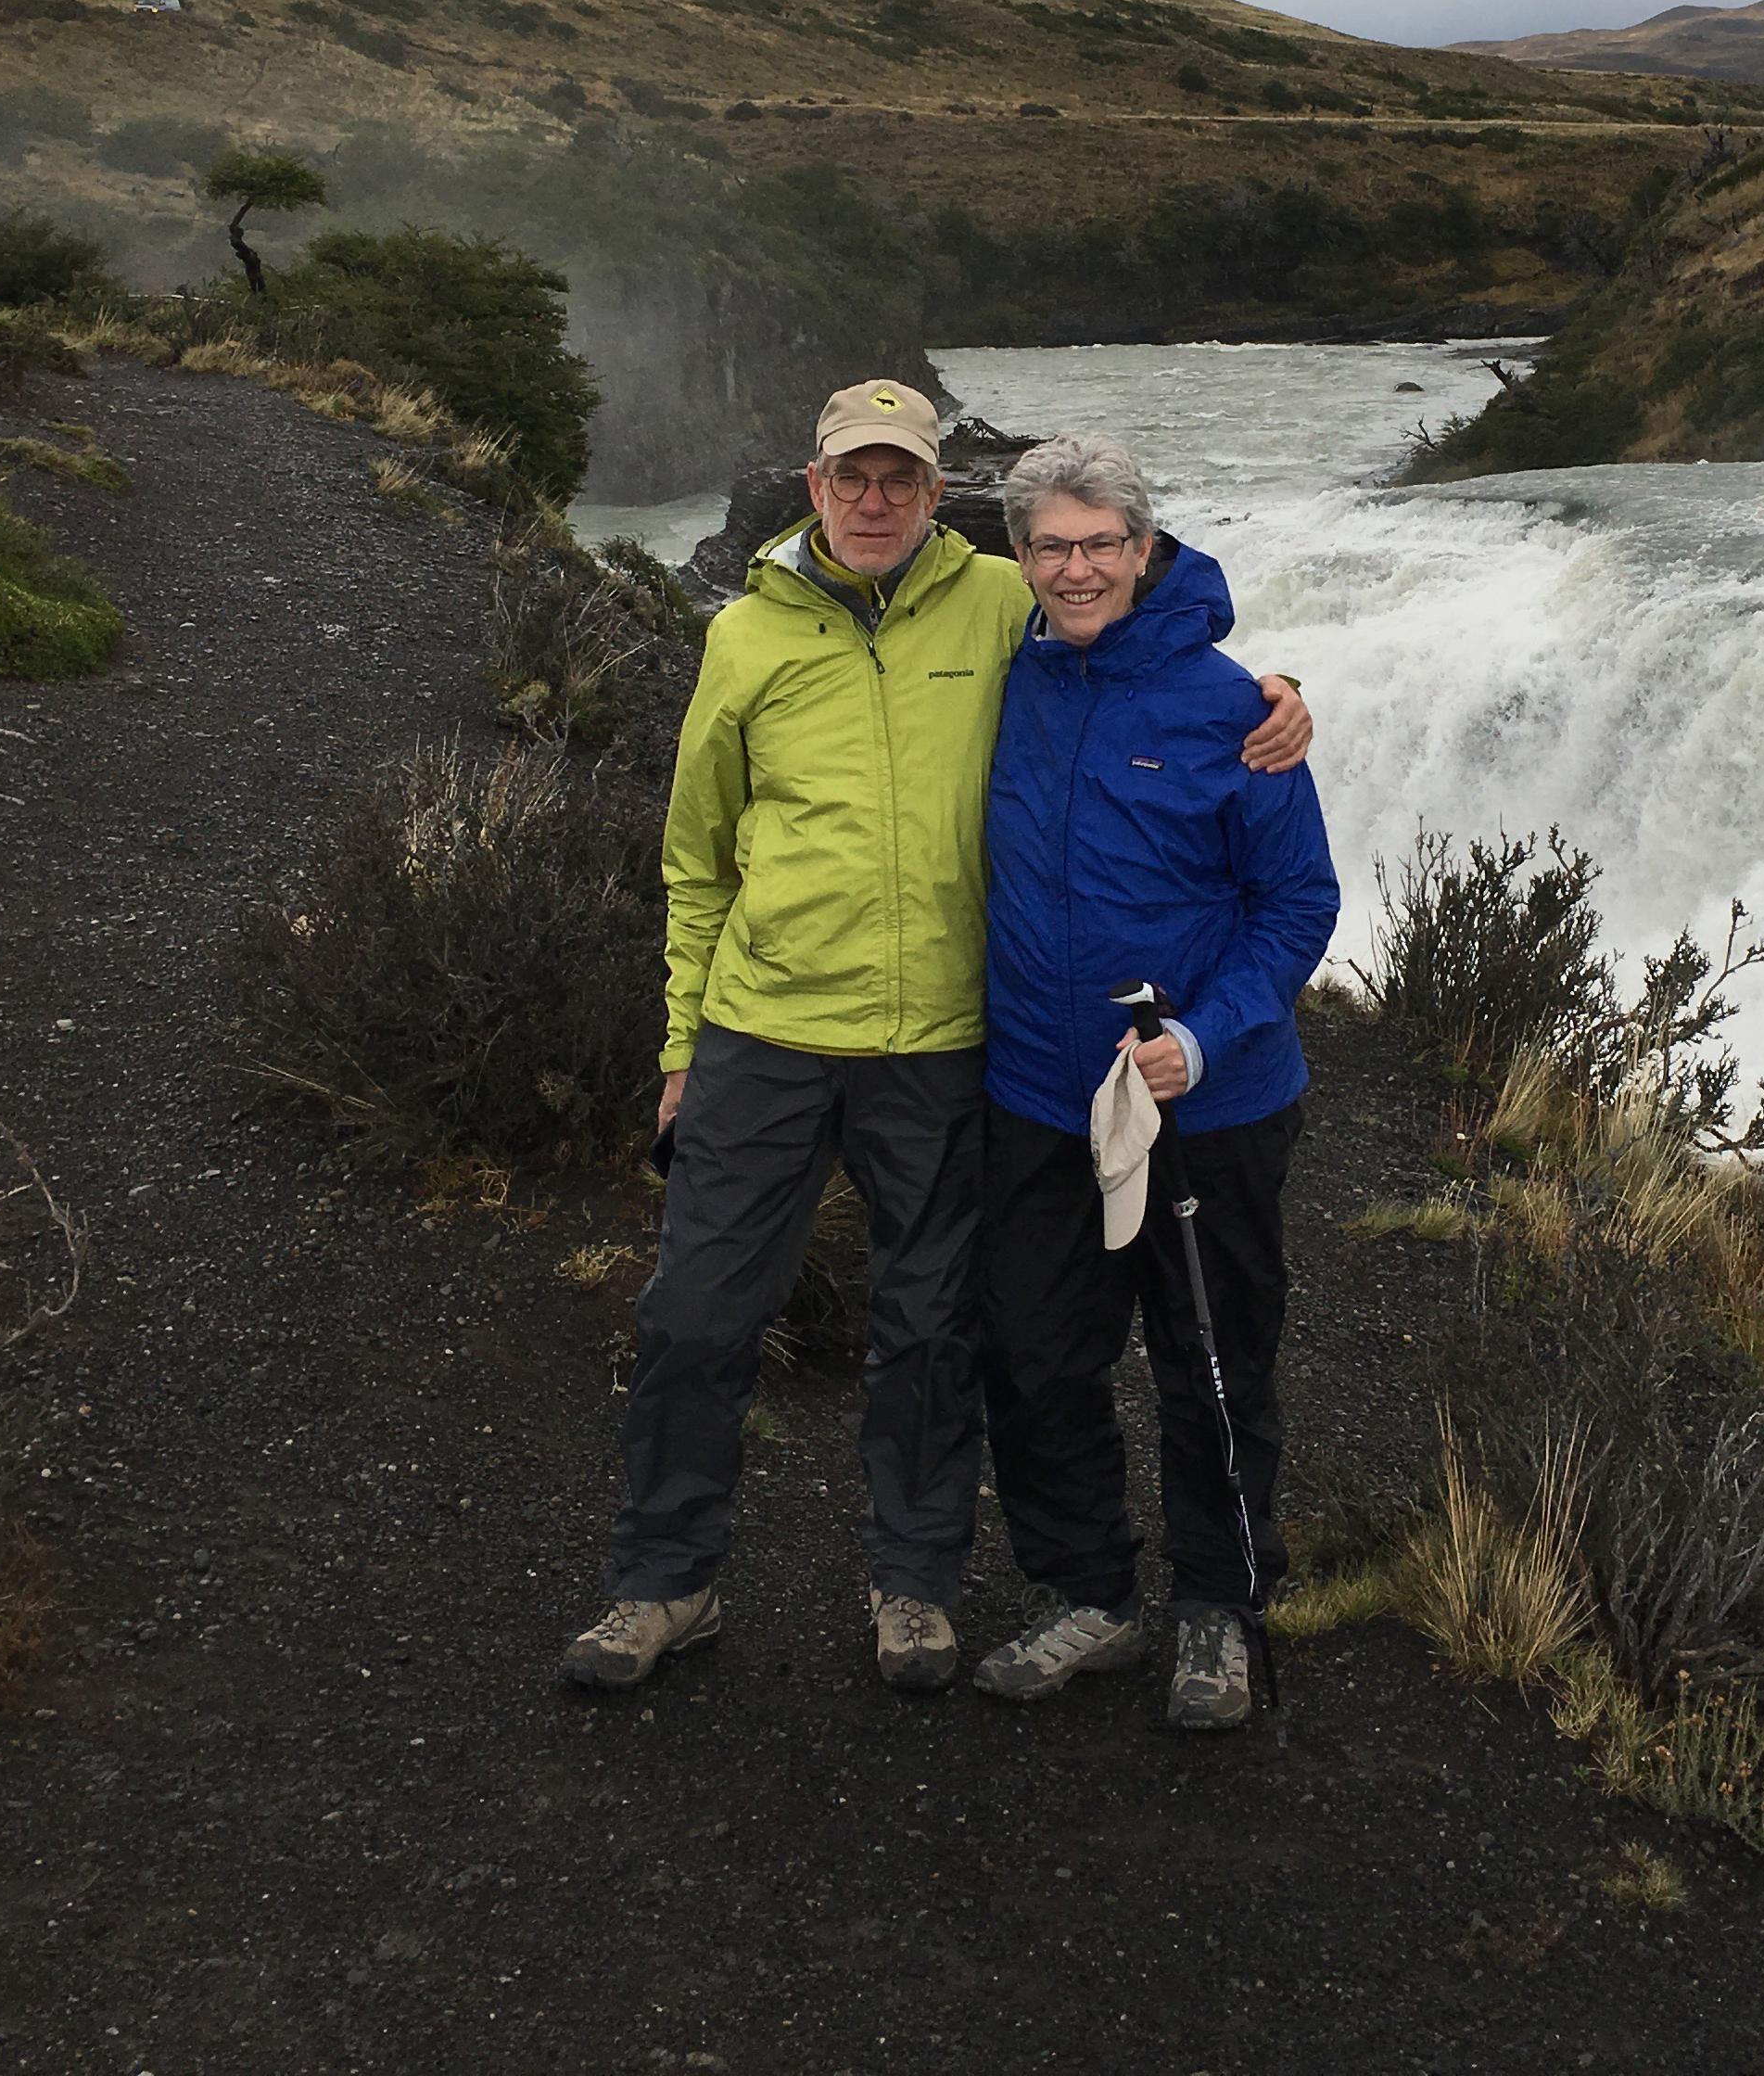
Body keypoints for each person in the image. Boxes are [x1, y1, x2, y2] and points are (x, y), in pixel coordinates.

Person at [560, 382, 1311, 1695]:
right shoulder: (763, 633)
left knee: (1001, 1335)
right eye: (852, 476)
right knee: (744, 1321)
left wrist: (1277, 692)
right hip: (837, 1040)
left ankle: (998, 1592)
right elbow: (694, 857)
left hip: (1010, 1055)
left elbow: (1153, 618)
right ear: (815, 486)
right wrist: (682, 1046)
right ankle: (683, 1582)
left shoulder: (1033, 619)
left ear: (936, 493)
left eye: (901, 477)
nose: (875, 499)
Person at [972, 434, 1339, 1731]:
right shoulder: (1004, 677)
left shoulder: (1237, 709)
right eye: (1051, 546)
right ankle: (1090, 1592)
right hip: (1038, 1092)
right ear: (1019, 557)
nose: (1076, 569)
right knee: (1035, 1353)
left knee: (1214, 1362)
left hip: (1207, 1103)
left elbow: (1298, 903)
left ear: (1143, 549)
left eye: (1100, 544)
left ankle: (1219, 1607)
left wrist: (1208, 1035)